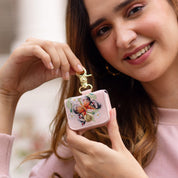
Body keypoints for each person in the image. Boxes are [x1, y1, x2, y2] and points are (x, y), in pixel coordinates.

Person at [0, 0, 178, 177]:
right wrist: (6, 94)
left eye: (135, 10)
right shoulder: (96, 140)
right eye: (103, 30)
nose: (124, 39)